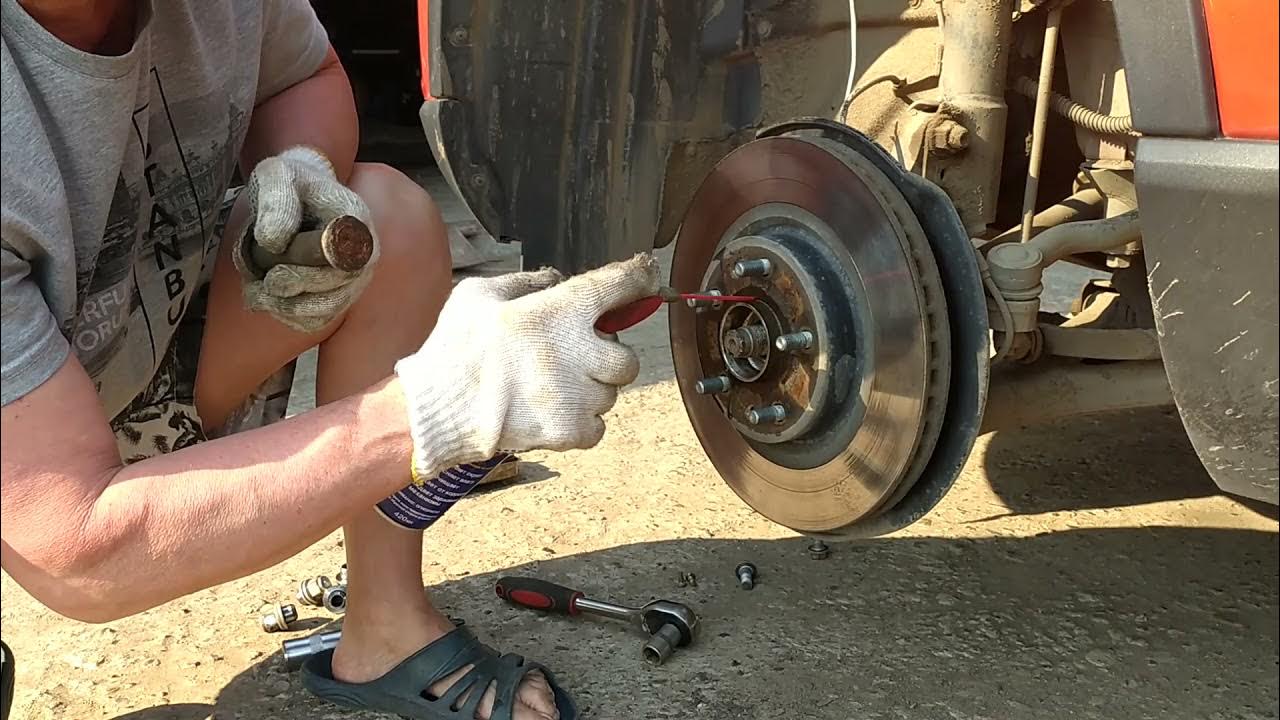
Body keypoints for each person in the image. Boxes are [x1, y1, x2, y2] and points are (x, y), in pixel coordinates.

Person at [0, 2, 658, 719]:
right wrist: (439, 407)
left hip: (140, 358)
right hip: (34, 465)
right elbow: (76, 549)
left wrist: (300, 164)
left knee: (387, 216)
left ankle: (386, 628)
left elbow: (303, 74)